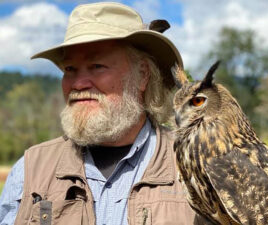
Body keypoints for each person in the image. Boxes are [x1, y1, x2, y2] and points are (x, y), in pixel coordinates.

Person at [0, 2, 210, 225]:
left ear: (142, 75)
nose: (78, 84)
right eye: (70, 69)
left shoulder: (200, 166)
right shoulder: (30, 170)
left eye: (97, 66)